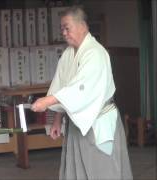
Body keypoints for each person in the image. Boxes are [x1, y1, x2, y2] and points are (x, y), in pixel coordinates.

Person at [31, 6, 133, 180]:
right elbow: (61, 86)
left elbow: (82, 88)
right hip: (77, 124)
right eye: (61, 28)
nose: (63, 32)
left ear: (82, 26)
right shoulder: (68, 55)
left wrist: (47, 101)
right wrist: (57, 120)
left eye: (67, 27)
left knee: (103, 171)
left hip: (99, 123)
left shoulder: (96, 53)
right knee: (76, 171)